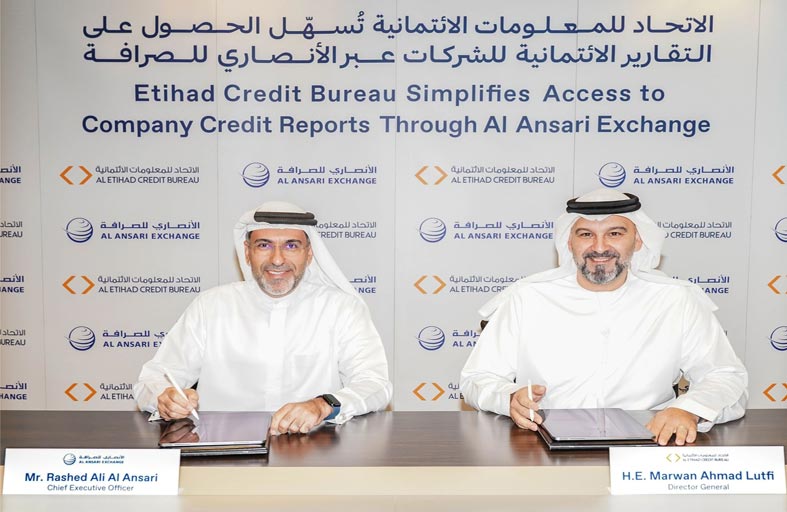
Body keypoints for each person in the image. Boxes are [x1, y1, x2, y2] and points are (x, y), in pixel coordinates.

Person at [460, 189, 748, 446]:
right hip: (540, 447)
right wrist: (510, 398)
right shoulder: (527, 297)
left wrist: (688, 409)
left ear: (638, 240)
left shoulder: (676, 300)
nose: (599, 247)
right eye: (586, 234)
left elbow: (724, 376)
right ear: (569, 242)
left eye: (615, 233)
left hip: (650, 444)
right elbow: (477, 378)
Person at [133, 201, 392, 435]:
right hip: (224, 456)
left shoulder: (342, 308)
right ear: (247, 252)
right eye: (264, 245)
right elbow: (152, 380)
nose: (277, 259)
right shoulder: (211, 306)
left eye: (291, 246)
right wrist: (164, 398)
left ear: (309, 254)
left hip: (313, 452)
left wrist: (322, 405)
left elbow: (375, 385)